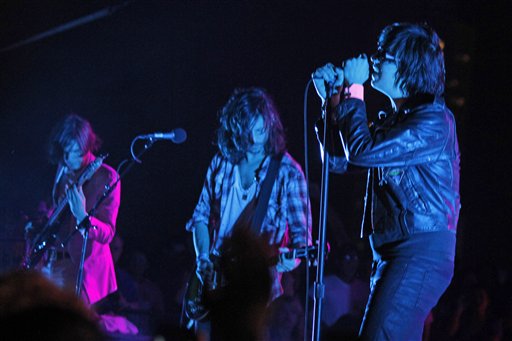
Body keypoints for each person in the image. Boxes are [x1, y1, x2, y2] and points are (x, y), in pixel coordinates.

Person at [313, 22, 461, 340]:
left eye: (386, 55)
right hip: (394, 250)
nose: (375, 59)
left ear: (408, 68)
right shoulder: (398, 120)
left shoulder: (433, 122)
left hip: (419, 252)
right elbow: (339, 159)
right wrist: (333, 99)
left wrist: (355, 89)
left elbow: (361, 152)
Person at [185, 87, 312, 340]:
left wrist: (291, 260)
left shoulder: (288, 173)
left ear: (271, 125)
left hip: (256, 293)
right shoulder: (222, 162)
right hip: (212, 283)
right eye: (247, 132)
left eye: (261, 131)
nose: (254, 139)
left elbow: (303, 241)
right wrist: (203, 260)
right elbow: (200, 215)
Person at [24, 114, 121, 306]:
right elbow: (58, 210)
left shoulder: (107, 177)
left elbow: (108, 233)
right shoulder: (63, 168)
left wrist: (82, 216)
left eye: (76, 152)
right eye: (65, 153)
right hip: (51, 263)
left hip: (80, 269)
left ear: (88, 147)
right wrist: (42, 224)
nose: (68, 159)